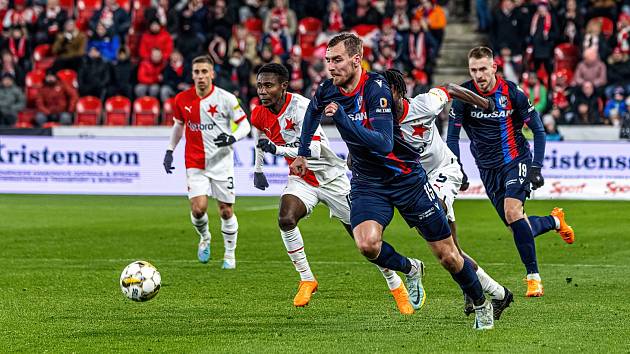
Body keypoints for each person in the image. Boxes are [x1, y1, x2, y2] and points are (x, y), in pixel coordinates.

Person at [292, 33, 495, 330]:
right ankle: (410, 268)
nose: (330, 67)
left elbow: (384, 143)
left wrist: (345, 122)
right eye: (328, 60)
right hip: (368, 182)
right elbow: (312, 112)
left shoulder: (377, 89)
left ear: (356, 59)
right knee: (367, 244)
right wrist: (302, 153)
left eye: (337, 60)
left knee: (449, 255)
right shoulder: (328, 89)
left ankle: (481, 304)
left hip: (407, 180)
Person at [252, 63, 416, 314]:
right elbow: (260, 140)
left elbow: (314, 150)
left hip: (332, 179)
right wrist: (258, 169)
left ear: (283, 86)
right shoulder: (258, 113)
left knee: (363, 240)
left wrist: (278, 150)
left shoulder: (301, 107)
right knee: (286, 218)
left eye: (268, 85)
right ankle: (307, 278)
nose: (262, 91)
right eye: (260, 85)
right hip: (303, 180)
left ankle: (396, 286)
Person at [382, 68, 513, 320]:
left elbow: (451, 89)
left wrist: (483, 102)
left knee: (437, 210)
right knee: (449, 252)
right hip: (417, 183)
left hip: (444, 171)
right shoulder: (380, 120)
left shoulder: (424, 104)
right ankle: (498, 293)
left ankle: (478, 290)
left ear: (397, 92)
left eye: (383, 94)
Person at [447, 46, 575, 298]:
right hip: (487, 168)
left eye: (483, 68)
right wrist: (457, 167)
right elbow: (452, 135)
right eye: (474, 70)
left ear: (494, 67)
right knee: (516, 224)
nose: (479, 75)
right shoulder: (463, 95)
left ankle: (533, 278)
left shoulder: (512, 93)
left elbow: (538, 130)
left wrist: (536, 167)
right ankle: (554, 221)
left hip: (516, 160)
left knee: (512, 211)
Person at [162, 55, 251, 269]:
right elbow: (178, 126)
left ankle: (230, 255)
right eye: (197, 72)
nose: (201, 76)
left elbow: (246, 126)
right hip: (195, 162)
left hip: (221, 163)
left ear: (212, 74)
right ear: (192, 75)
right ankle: (205, 237)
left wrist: (233, 137)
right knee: (199, 209)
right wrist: (169, 150)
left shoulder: (227, 98)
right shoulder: (182, 99)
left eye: (204, 72)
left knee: (226, 211)